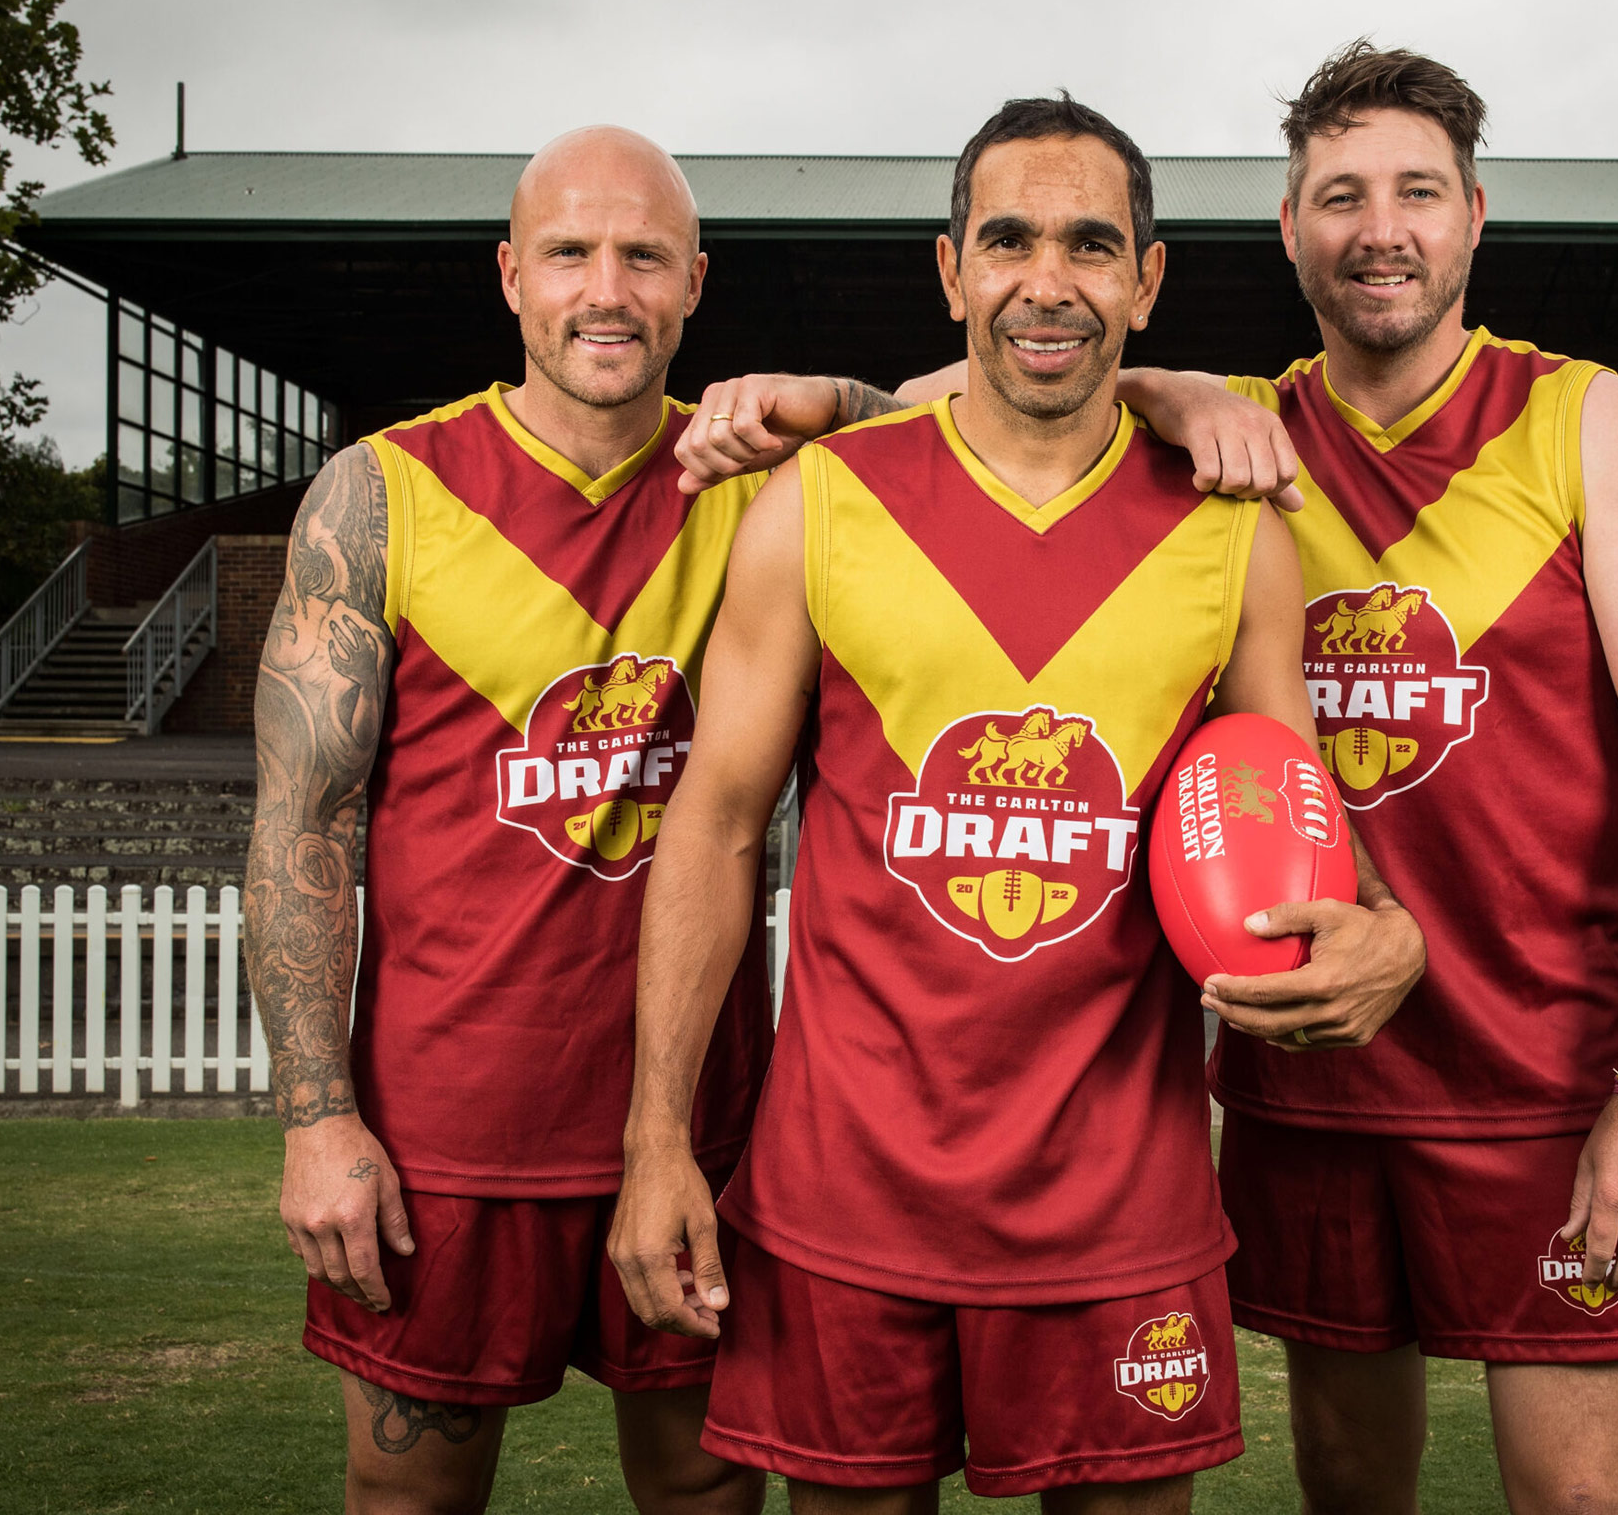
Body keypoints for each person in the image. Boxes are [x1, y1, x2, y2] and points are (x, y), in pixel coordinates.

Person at [606, 95, 1425, 1513]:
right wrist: (658, 1140)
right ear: (951, 271)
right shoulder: (822, 502)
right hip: (843, 1196)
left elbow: (1300, 826)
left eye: (1093, 244)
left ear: (1147, 281)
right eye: (1009, 240)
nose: (1048, 281)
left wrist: (1385, 932)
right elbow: (719, 824)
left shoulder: (1235, 532)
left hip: (1121, 1208)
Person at [1103, 44, 1618, 1515]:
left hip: (1547, 1087)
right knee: (1345, 1481)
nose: (1377, 226)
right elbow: (986, 379)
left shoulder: (1583, 422)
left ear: (1474, 214)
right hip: (1312, 1077)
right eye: (1339, 196)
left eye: (1414, 191)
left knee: (1581, 1498)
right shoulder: (1242, 442)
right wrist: (1153, 377)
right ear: (1290, 230)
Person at [245, 124, 906, 1515]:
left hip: (700, 1123)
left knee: (707, 1498)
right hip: (445, 1134)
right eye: (569, 253)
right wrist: (316, 1118)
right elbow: (305, 823)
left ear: (694, 284)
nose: (606, 287)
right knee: (408, 1497)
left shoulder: (765, 492)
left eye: (643, 256)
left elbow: (972, 420)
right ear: (510, 276)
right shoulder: (383, 495)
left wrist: (813, 397)